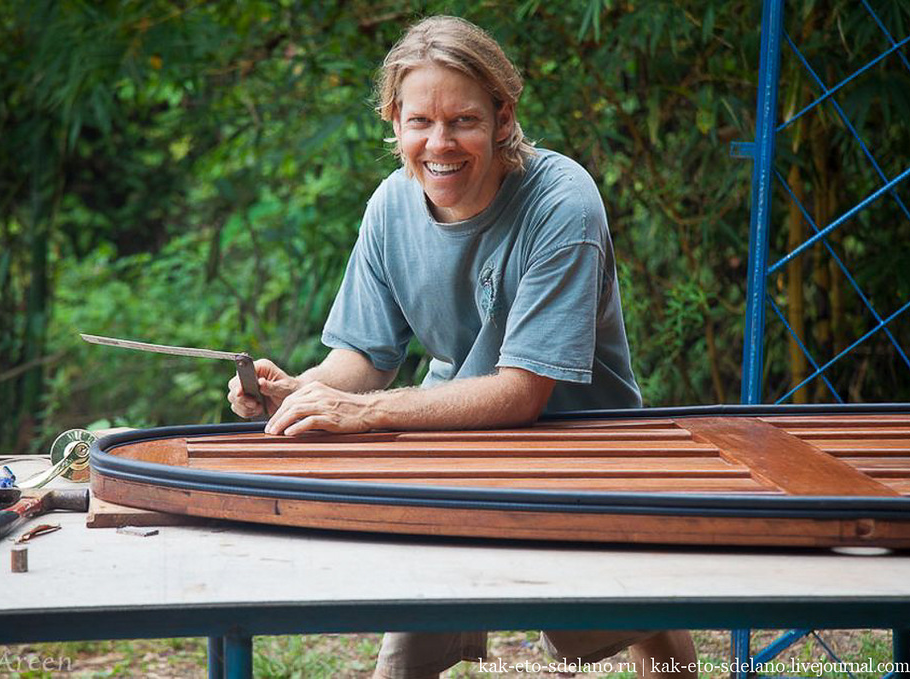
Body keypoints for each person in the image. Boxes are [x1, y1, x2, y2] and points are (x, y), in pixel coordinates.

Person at [228, 15, 697, 679]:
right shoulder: (390, 207)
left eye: (463, 121)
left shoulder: (562, 201)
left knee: (628, 617)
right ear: (394, 121)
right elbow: (364, 357)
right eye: (420, 121)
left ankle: (654, 617)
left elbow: (521, 393)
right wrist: (301, 390)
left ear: (504, 117)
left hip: (582, 446)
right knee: (405, 657)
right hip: (450, 440)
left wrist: (361, 412)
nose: (439, 142)